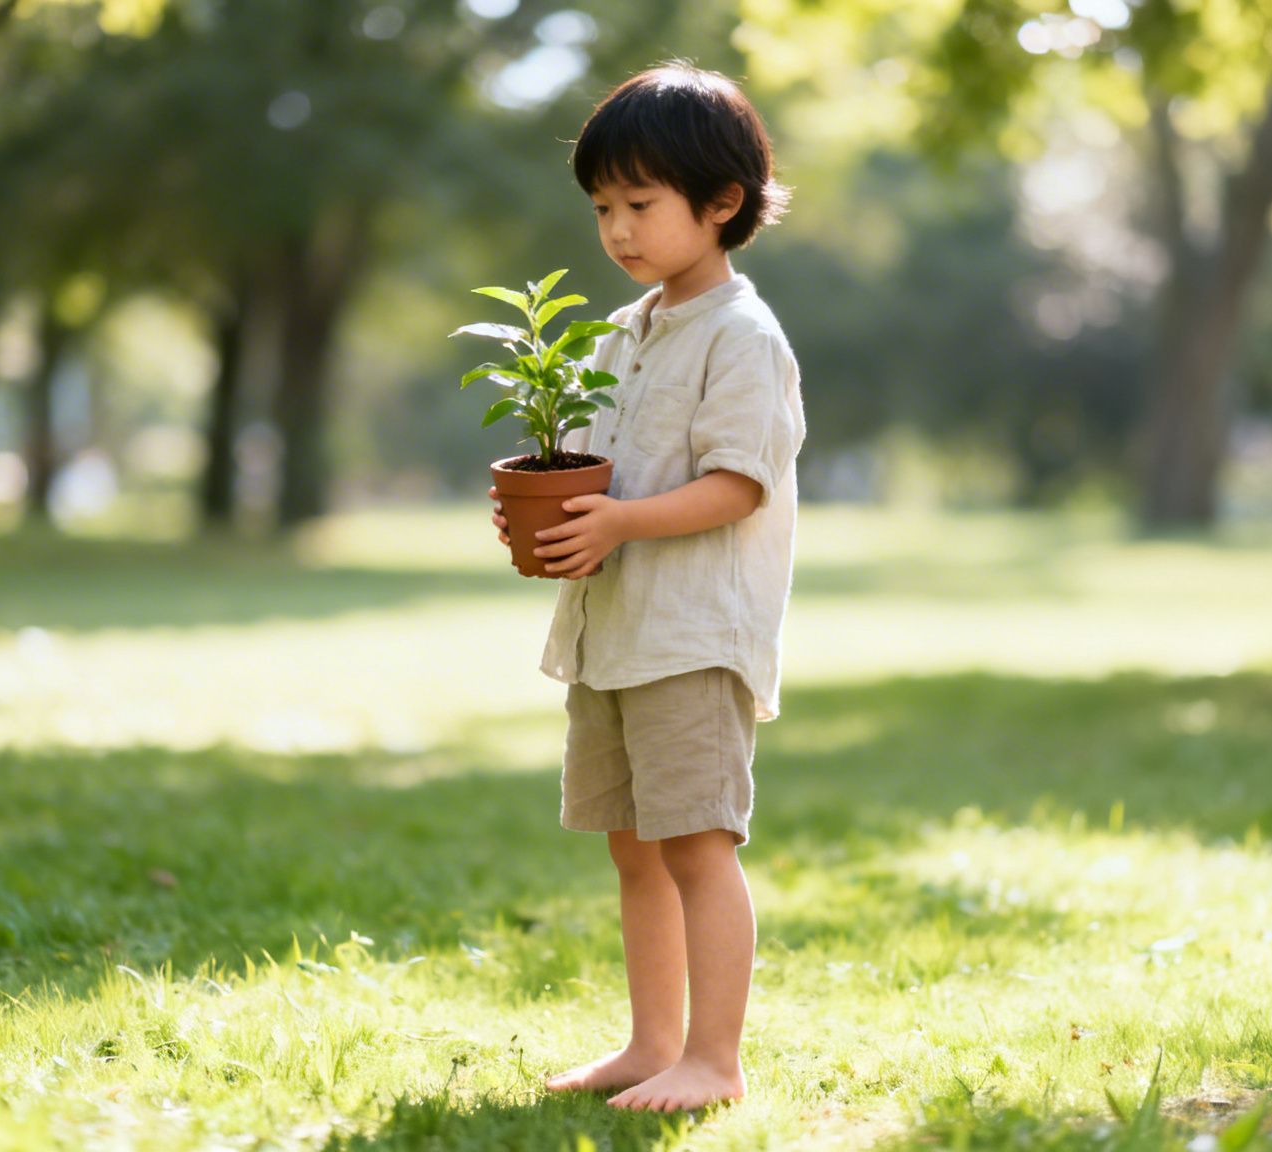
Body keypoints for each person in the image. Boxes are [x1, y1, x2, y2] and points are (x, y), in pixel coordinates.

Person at [487, 61, 803, 1113]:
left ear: (720, 205)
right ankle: (648, 1043)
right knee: (633, 850)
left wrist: (619, 520)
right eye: (600, 208)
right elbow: (586, 472)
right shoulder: (617, 337)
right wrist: (544, 509)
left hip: (691, 635)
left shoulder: (742, 338)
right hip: (612, 632)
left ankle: (713, 1060)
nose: (616, 230)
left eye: (639, 204)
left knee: (695, 848)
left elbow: (735, 486)